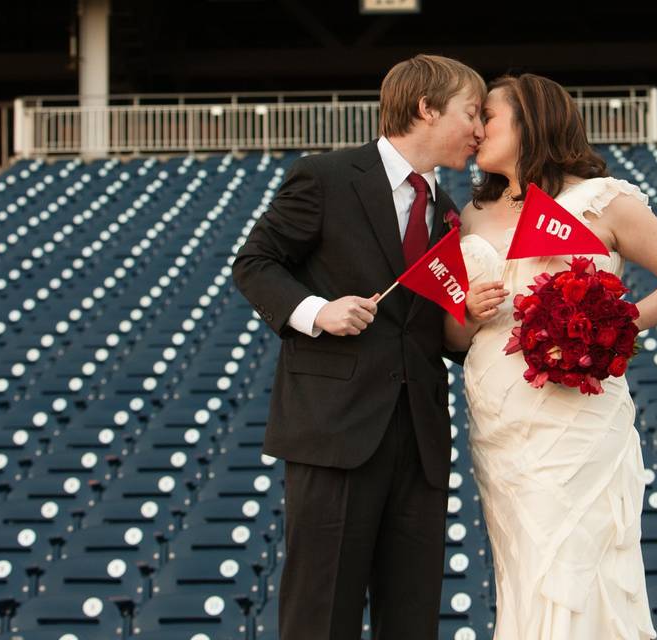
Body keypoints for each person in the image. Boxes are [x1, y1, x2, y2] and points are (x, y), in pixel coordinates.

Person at [445, 74, 657, 639]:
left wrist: (614, 325)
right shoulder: (468, 217)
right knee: (522, 567)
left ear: (530, 120)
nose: (476, 130)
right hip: (499, 421)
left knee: (583, 562)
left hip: (576, 420)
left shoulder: (600, 201)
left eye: (487, 117)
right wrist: (468, 310)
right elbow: (454, 339)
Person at [232, 54, 485, 639]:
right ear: (426, 108)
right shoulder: (324, 176)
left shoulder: (449, 214)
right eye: (470, 113)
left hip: (419, 441)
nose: (478, 130)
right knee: (323, 616)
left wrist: (470, 318)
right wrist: (318, 311)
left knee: (412, 619)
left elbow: (433, 334)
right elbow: (254, 263)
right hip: (335, 434)